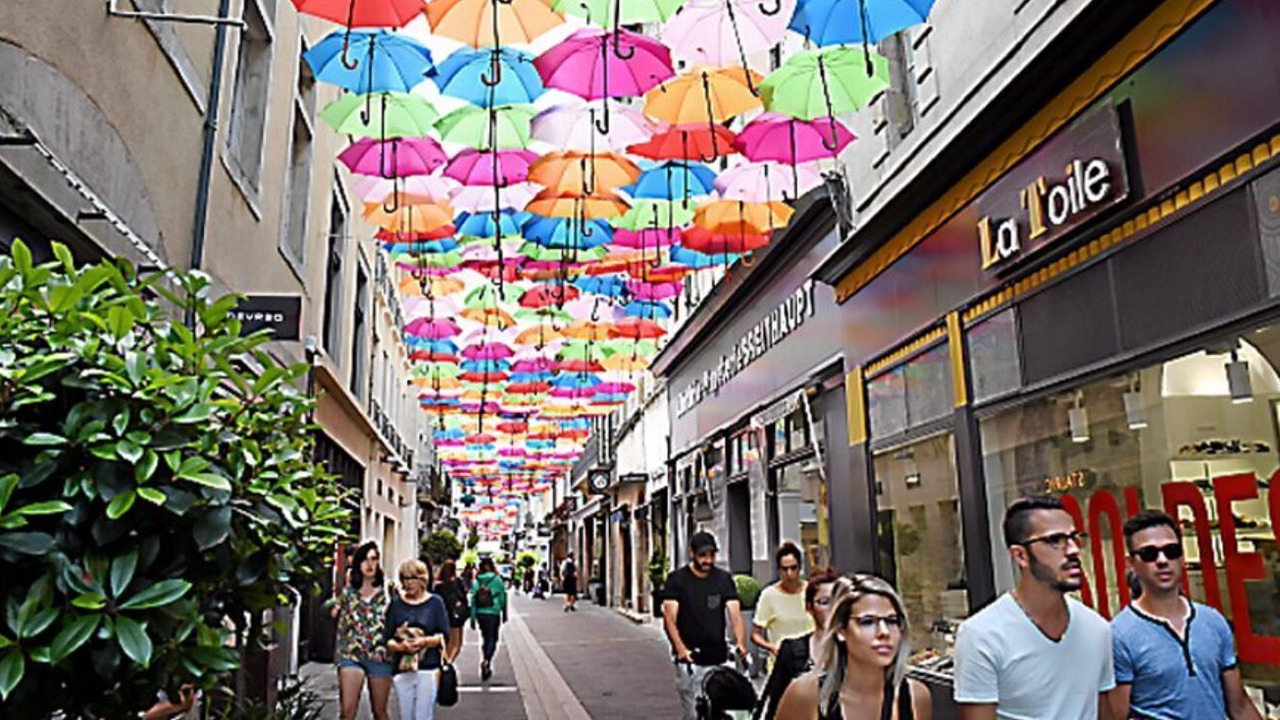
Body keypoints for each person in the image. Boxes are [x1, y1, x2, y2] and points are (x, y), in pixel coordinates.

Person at [953, 495, 1114, 720]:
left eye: (1074, 537)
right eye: (1055, 540)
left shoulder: (1097, 628)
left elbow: (1105, 712)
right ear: (1020, 555)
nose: (1073, 550)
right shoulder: (982, 635)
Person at [1107, 510, 1264, 720]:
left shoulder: (1213, 622)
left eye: (1171, 551)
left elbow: (1240, 706)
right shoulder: (1119, 635)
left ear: (1182, 556)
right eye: (1149, 554)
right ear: (1131, 563)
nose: (1162, 560)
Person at [775, 573, 932, 720]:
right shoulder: (805, 694)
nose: (884, 632)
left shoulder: (915, 696)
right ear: (840, 630)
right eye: (867, 621)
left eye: (892, 621)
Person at [662, 531, 749, 720]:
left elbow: (735, 613)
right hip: (691, 661)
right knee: (694, 713)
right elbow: (670, 620)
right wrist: (681, 649)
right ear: (692, 554)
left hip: (718, 657)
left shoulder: (723, 579)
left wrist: (741, 643)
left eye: (711, 555)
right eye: (703, 555)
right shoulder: (677, 580)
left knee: (719, 712)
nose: (708, 560)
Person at [756, 568, 840, 720]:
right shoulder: (792, 650)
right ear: (809, 607)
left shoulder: (855, 649)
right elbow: (774, 701)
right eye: (825, 602)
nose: (833, 608)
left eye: (838, 601)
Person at [331, 541, 393, 720]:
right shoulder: (349, 593)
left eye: (374, 559)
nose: (370, 564)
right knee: (347, 712)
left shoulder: (388, 591)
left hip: (379, 655)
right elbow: (335, 614)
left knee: (380, 712)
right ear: (357, 563)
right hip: (352, 654)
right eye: (365, 560)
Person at [384, 559, 450, 720]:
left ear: (422, 580)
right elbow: (386, 639)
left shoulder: (435, 603)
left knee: (423, 716)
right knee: (405, 716)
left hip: (428, 668)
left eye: (412, 578)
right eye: (404, 579)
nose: (408, 583)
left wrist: (424, 642)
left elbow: (444, 635)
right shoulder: (396, 604)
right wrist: (401, 647)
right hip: (403, 668)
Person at [753, 543, 816, 674]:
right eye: (784, 569)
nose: (789, 574)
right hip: (781, 666)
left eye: (793, 568)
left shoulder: (811, 591)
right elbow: (755, 634)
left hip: (811, 662)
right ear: (779, 570)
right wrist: (773, 648)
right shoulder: (769, 595)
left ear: (800, 568)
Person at [470, 556, 509, 681]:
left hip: (481, 613)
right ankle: (487, 660)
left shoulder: (477, 581)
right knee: (493, 638)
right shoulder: (497, 580)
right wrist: (504, 613)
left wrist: (472, 617)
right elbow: (503, 597)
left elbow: (473, 600)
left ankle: (485, 657)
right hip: (494, 612)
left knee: (485, 637)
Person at [434, 560, 469, 664]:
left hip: (443, 617)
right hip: (456, 616)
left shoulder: (438, 586)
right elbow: (463, 597)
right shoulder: (457, 582)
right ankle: (448, 663)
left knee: (447, 643)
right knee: (457, 644)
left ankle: (445, 660)